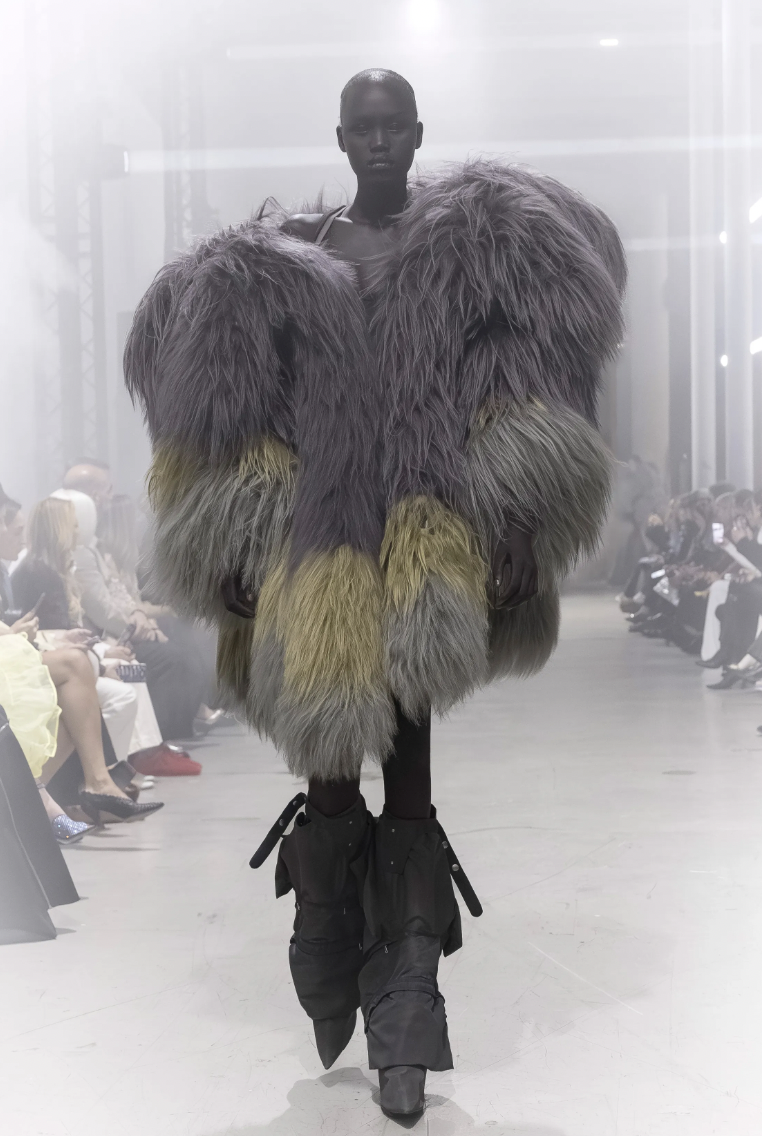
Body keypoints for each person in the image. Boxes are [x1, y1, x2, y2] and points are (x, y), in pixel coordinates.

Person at [125, 69, 624, 1117]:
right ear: (343, 138)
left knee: (410, 772)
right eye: (366, 127)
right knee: (330, 766)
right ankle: (326, 922)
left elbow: (520, 388)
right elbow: (236, 409)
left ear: (418, 132)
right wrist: (233, 531)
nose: (383, 142)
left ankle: (407, 1002)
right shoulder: (285, 260)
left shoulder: (472, 250)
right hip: (314, 544)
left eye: (397, 126)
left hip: (426, 535)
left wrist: (519, 518)